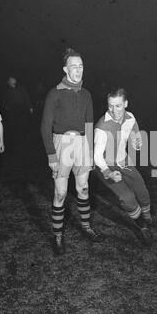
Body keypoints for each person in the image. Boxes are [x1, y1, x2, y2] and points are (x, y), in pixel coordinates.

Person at [41, 48, 102, 256]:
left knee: (83, 188)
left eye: (81, 66)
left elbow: (89, 124)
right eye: (74, 66)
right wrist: (51, 156)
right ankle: (57, 236)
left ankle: (86, 227)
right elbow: (44, 127)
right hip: (62, 144)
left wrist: (91, 153)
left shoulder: (86, 94)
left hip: (82, 143)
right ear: (65, 69)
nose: (78, 70)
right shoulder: (55, 93)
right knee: (61, 192)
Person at [94, 88, 154, 245]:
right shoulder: (102, 126)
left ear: (126, 104)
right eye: (110, 106)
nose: (114, 110)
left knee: (141, 189)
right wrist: (108, 172)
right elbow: (96, 156)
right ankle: (142, 227)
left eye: (118, 106)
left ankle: (147, 217)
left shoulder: (131, 118)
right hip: (106, 166)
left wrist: (138, 142)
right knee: (127, 198)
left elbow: (135, 136)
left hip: (124, 162)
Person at [1, 75, 33, 155]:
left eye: (13, 80)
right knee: (13, 128)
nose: (13, 81)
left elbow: (27, 98)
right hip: (12, 112)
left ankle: (24, 143)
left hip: (22, 111)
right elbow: (3, 101)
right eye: (11, 80)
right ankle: (15, 144)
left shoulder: (21, 89)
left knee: (23, 126)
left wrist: (30, 107)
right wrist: (6, 108)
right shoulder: (6, 91)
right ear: (8, 82)